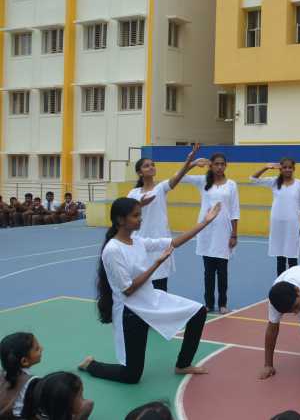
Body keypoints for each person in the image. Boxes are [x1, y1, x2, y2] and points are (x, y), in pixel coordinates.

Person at [79, 197, 221, 383]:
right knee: (131, 375)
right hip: (130, 311)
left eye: (140, 215)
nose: (140, 219)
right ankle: (90, 364)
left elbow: (174, 242)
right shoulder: (112, 250)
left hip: (150, 300)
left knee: (198, 312)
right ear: (120, 220)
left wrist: (205, 222)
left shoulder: (137, 241)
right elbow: (128, 289)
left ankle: (183, 364)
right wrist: (157, 264)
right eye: (135, 215)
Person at [128, 143, 207, 291]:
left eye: (152, 165)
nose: (151, 167)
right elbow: (126, 214)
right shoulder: (133, 194)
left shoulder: (161, 188)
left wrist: (190, 162)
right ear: (139, 172)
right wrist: (140, 204)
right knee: (140, 286)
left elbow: (178, 177)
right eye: (146, 166)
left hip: (160, 243)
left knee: (160, 287)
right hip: (140, 243)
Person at [183, 153, 240, 314]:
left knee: (222, 271)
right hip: (206, 232)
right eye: (216, 164)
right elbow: (180, 176)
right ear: (211, 165)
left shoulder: (231, 185)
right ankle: (208, 303)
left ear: (226, 166)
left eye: (222, 164)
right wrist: (193, 163)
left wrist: (234, 234)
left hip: (224, 232)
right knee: (208, 272)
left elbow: (235, 210)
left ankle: (222, 303)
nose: (219, 167)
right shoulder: (203, 181)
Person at [250, 158, 300, 276]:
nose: (287, 169)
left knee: (293, 257)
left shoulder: (299, 183)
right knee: (280, 257)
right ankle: (280, 282)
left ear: (294, 169)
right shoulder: (274, 182)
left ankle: (293, 281)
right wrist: (266, 167)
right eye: (284, 167)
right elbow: (253, 179)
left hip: (293, 224)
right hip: (277, 225)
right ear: (280, 169)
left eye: (290, 167)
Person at [0, 333, 42, 419]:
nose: (42, 348)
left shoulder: (1, 375)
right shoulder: (33, 382)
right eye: (37, 349)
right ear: (24, 361)